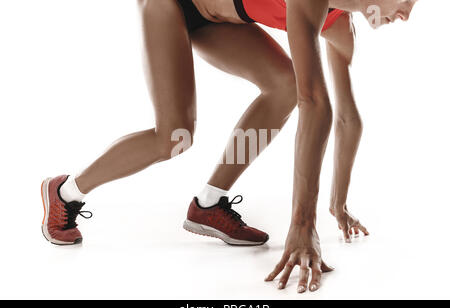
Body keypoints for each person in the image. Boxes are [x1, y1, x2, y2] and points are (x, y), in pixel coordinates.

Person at [40, 0, 417, 293]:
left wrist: (339, 203)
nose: (406, 14)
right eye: (408, 1)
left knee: (284, 85)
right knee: (174, 137)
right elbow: (315, 103)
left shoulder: (342, 28)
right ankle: (65, 191)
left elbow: (347, 117)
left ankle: (207, 204)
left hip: (218, 18)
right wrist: (302, 224)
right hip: (171, 5)